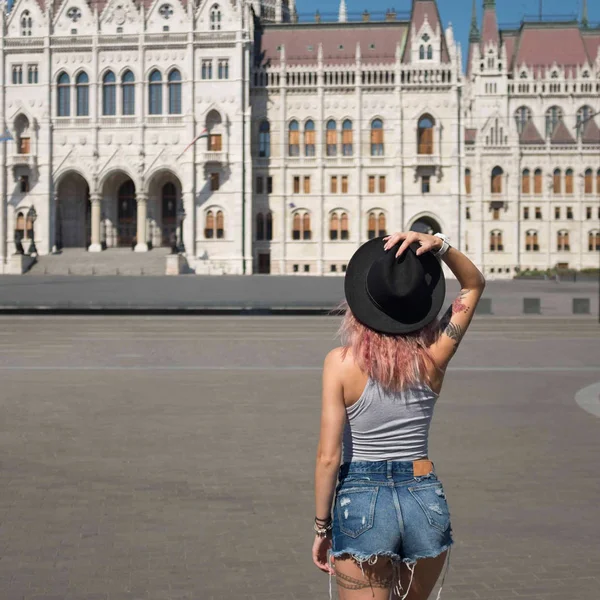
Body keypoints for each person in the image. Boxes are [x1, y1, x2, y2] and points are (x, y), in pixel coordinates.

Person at [312, 230, 486, 600]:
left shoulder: (340, 364)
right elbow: (473, 285)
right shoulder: (434, 356)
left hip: (361, 501)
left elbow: (328, 457)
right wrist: (440, 246)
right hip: (423, 498)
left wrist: (321, 526)